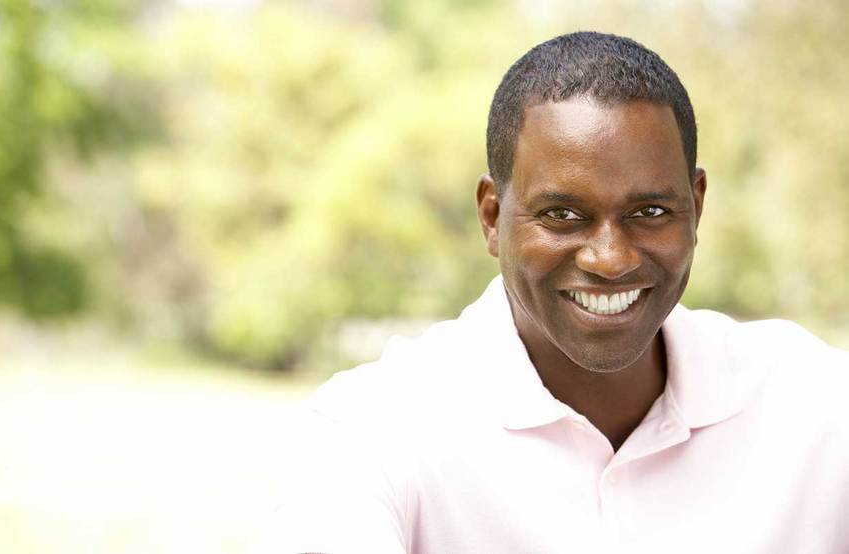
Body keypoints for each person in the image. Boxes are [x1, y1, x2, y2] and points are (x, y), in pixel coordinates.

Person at [267, 31, 849, 553]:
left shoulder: (816, 407)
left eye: (650, 211)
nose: (611, 259)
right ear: (493, 217)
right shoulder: (368, 432)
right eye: (563, 214)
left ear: (695, 207)